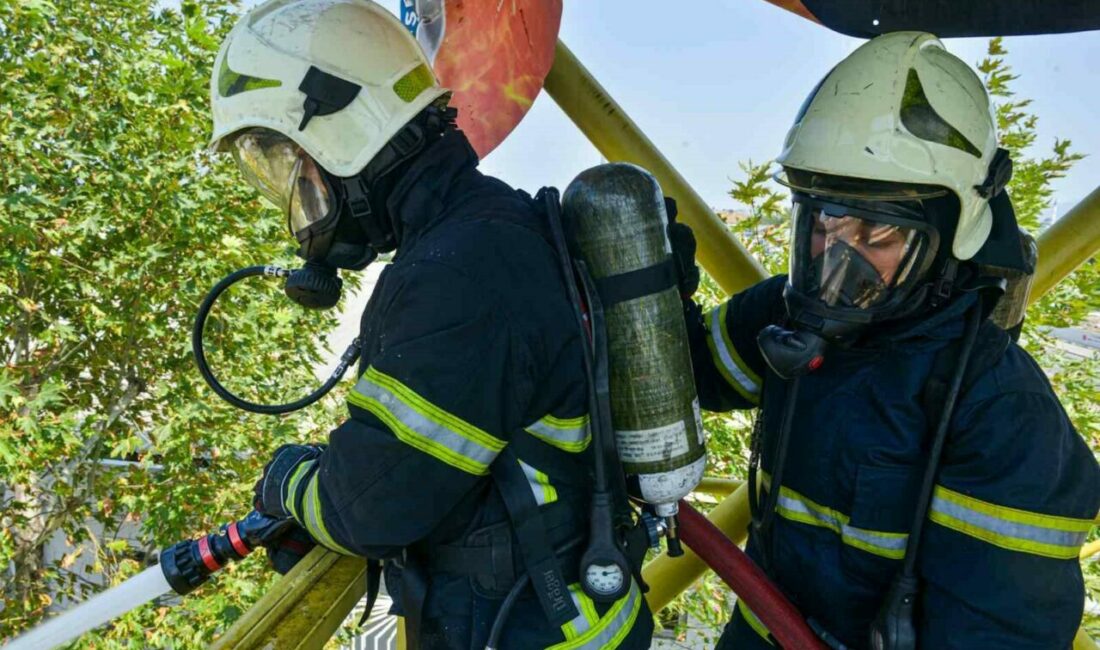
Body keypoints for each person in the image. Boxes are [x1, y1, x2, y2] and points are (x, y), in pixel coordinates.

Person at [207, 1, 653, 648]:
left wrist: (286, 481)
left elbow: (367, 504)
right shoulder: (485, 231)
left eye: (288, 160)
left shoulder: (461, 276)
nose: (295, 191)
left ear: (338, 127)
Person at [672, 32, 1100, 649]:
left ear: (951, 236)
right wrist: (646, 292)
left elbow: (998, 632)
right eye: (824, 222)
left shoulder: (1000, 413)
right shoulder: (790, 311)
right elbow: (693, 374)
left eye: (877, 233)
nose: (839, 261)